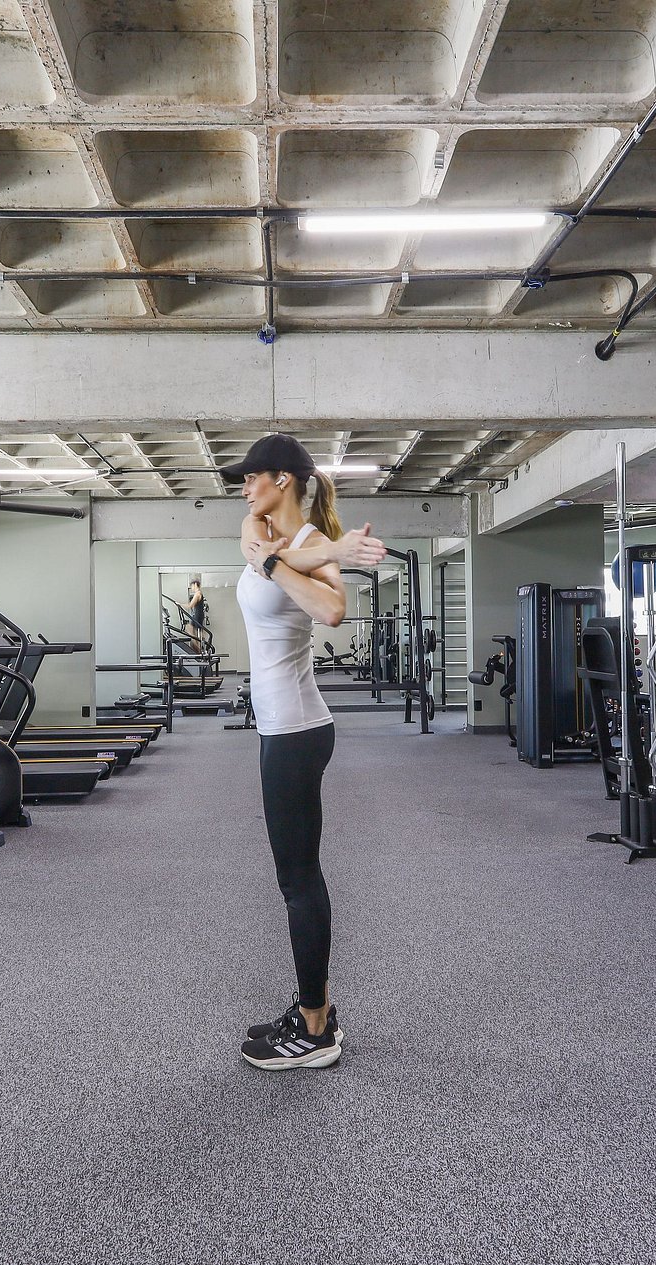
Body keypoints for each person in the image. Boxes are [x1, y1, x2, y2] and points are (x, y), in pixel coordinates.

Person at [222, 433, 386, 1071]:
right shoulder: (258, 527)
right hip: (279, 728)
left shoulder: (310, 544)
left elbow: (333, 610)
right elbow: (252, 546)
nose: (245, 489)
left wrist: (297, 561)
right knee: (294, 875)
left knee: (298, 879)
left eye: (252, 477)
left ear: (283, 479)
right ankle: (314, 1008)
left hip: (297, 729)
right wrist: (297, 555)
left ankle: (316, 1029)